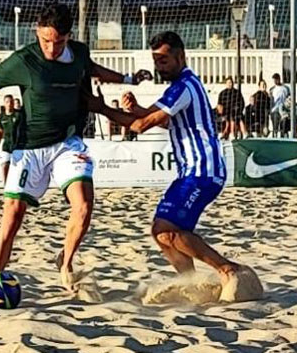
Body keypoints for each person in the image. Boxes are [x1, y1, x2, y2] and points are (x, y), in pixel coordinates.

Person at [0, 3, 153, 290]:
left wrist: (127, 79)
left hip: (67, 143)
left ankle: (65, 262)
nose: (51, 48)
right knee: (12, 217)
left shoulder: (79, 54)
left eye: (58, 41)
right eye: (45, 40)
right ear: (37, 33)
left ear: (68, 36)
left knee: (84, 205)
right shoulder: (24, 60)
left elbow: (94, 69)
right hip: (30, 148)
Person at [87, 31, 257, 300]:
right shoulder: (181, 86)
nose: (159, 66)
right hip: (191, 172)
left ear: (181, 56)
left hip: (202, 170)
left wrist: (101, 108)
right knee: (163, 233)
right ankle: (190, 282)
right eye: (156, 60)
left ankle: (228, 270)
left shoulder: (183, 87)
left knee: (167, 229)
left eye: (164, 60)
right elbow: (154, 117)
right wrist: (135, 107)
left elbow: (142, 125)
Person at [0, 95, 22, 184]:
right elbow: (0, 131)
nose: (9, 104)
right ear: (4, 104)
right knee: (4, 164)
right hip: (6, 144)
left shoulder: (19, 115)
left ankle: (17, 184)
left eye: (11, 102)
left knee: (18, 166)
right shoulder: (1, 117)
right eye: (7, 102)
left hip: (18, 145)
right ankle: (5, 184)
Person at [269, 73, 291, 137]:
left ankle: (283, 134)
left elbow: (289, 98)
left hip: (284, 108)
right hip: (275, 109)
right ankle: (275, 134)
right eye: (274, 80)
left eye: (276, 79)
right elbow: (271, 100)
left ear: (279, 79)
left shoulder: (286, 88)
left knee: (284, 121)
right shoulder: (272, 89)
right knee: (275, 121)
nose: (275, 81)